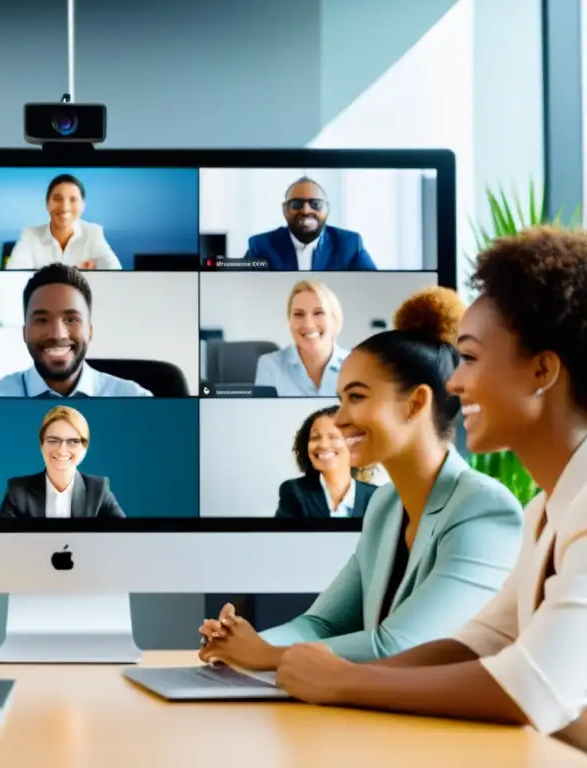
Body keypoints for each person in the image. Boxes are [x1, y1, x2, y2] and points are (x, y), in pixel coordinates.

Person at [273, 227, 587, 748]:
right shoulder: (546, 511)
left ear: (542, 369)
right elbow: (482, 642)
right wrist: (334, 678)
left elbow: (532, 687)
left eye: (469, 357)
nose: (455, 383)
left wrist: (347, 681)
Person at [199, 287, 523, 671]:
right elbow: (321, 623)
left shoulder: (483, 508)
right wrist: (242, 642)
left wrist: (265, 656)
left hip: (457, 727)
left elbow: (400, 648)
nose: (338, 419)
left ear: (416, 403)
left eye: (356, 397)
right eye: (340, 400)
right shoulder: (386, 505)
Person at [0, 264, 151, 398]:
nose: (57, 334)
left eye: (71, 319)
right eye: (41, 320)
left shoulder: (137, 400)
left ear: (89, 330)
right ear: (24, 332)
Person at [0, 405, 125, 519]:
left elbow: (125, 536)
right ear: (41, 445)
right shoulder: (17, 490)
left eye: (73, 442)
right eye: (53, 440)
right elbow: (1, 540)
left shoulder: (99, 489)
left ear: (84, 448)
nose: (62, 450)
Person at [245, 177, 377, 271]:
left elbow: (373, 287)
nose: (306, 210)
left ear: (327, 209)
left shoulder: (349, 244)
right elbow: (243, 286)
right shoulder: (261, 246)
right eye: (296, 204)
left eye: (316, 204)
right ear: (285, 210)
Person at [274, 405, 377, 519]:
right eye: (315, 437)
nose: (323, 445)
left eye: (333, 436)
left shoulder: (377, 497)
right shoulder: (295, 492)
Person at [5, 174, 121, 271]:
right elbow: (13, 275)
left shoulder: (92, 233)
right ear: (47, 203)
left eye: (73, 199)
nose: (65, 207)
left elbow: (116, 273)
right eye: (57, 198)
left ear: (83, 205)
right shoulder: (31, 234)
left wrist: (43, 274)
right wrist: (75, 269)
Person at [254, 280, 349, 397]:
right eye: (299, 314)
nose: (308, 324)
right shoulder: (270, 365)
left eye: (318, 313)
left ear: (335, 320)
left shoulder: (357, 365)